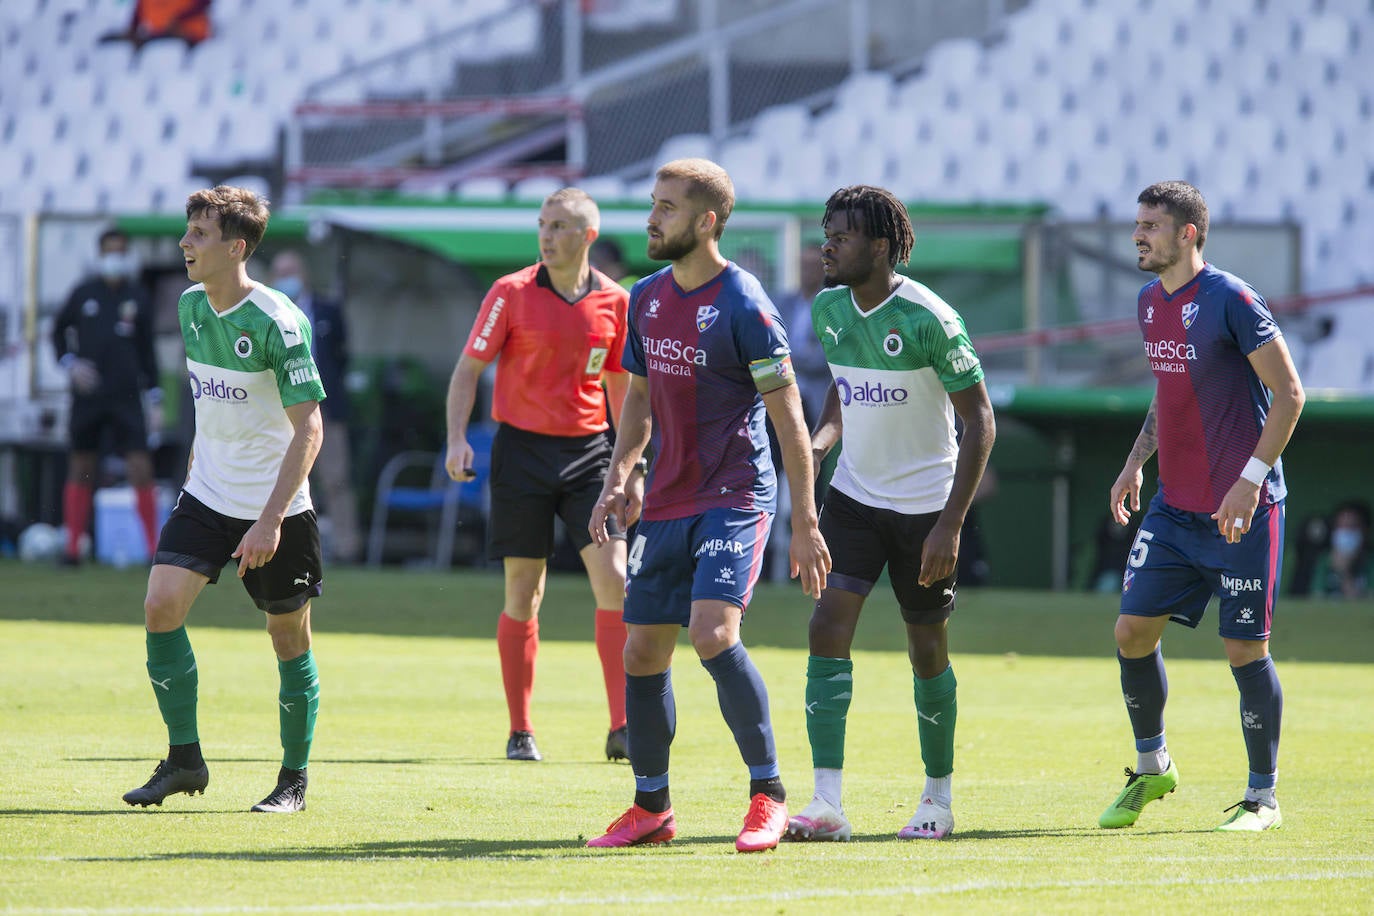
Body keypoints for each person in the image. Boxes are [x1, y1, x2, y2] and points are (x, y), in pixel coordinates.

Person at [584, 158, 831, 852]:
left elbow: (790, 421)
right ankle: (652, 808)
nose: (651, 219)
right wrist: (620, 473)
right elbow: (638, 397)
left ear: (706, 221)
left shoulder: (746, 303)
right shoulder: (646, 296)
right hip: (664, 497)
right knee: (640, 651)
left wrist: (806, 521)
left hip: (734, 494)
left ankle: (769, 795)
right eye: (653, 205)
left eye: (665, 207)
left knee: (713, 634)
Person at [782, 186, 995, 843]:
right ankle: (825, 803)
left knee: (926, 648)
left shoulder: (932, 318)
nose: (827, 244)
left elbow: (979, 421)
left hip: (925, 510)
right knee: (826, 625)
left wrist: (950, 524)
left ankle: (937, 801)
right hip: (854, 498)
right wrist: (820, 446)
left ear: (879, 245)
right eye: (826, 232)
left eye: (840, 236)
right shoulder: (828, 310)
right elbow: (842, 392)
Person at [1099, 181, 1304, 833]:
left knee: (1244, 649)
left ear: (1189, 233)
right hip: (1175, 510)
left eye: (1152, 225)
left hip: (1242, 512)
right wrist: (1136, 462)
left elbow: (1291, 394)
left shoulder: (1232, 300)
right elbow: (1170, 394)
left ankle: (1261, 799)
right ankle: (1152, 765)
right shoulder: (1147, 303)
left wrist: (1249, 480)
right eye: (1137, 224)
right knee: (1132, 631)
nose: (1139, 235)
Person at [122, 185, 326, 814]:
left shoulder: (279, 322)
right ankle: (185, 760)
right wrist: (194, 471)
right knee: (160, 607)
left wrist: (268, 523)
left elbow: (309, 427)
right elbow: (213, 404)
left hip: (277, 507)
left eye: (200, 234)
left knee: (288, 639)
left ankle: (293, 780)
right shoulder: (188, 307)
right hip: (207, 495)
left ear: (236, 247)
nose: (185, 243)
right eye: (187, 230)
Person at [445, 188, 633, 764]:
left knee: (617, 582)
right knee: (524, 592)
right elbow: (467, 371)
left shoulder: (618, 303)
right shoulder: (510, 292)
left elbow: (623, 388)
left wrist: (632, 467)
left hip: (590, 455)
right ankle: (520, 729)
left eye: (559, 226)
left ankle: (623, 727)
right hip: (520, 453)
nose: (547, 236)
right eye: (542, 224)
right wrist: (455, 439)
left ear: (587, 236)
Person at [52, 228, 161, 566]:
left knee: (140, 467)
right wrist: (70, 364)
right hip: (89, 395)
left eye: (120, 251)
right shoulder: (83, 292)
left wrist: (155, 395)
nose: (114, 258)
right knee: (82, 465)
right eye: (109, 251)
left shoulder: (137, 296)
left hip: (127, 395)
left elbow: (148, 349)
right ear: (99, 255)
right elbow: (57, 333)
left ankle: (153, 551)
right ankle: (73, 548)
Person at [268, 251, 360, 564]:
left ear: (304, 273)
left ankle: (348, 549)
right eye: (281, 271)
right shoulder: (268, 314)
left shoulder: (327, 310)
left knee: (336, 479)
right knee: (290, 480)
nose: (287, 276)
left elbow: (341, 356)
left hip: (327, 410)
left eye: (291, 269)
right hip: (284, 414)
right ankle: (293, 548)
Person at [1309, 500, 1373, 599]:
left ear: (1364, 531)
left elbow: (1366, 605)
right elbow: (1316, 600)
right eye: (1341, 527)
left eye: (1352, 527)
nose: (1345, 532)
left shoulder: (1370, 562)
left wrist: (1344, 573)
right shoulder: (1324, 560)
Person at [100, 0, 213, 50]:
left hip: (191, 37)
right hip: (157, 36)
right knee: (109, 42)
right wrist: (131, 34)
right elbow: (136, 20)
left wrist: (178, 20)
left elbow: (205, 3)